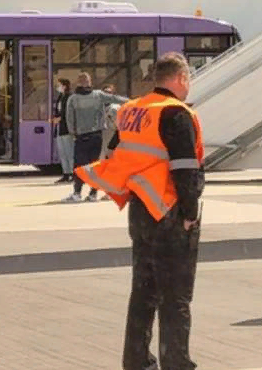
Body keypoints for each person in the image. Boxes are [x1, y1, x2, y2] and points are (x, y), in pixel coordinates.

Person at [75, 52, 204, 370]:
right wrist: (190, 213)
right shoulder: (176, 113)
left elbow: (115, 153)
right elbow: (185, 168)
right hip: (170, 212)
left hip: (140, 210)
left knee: (144, 291)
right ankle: (176, 362)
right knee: (176, 295)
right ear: (181, 78)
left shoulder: (132, 110)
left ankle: (136, 360)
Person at [64, 73, 128, 202]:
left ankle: (77, 193)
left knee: (79, 166)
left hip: (81, 137)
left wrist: (73, 133)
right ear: (90, 82)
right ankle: (93, 194)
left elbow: (69, 119)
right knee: (95, 165)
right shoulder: (98, 95)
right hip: (97, 136)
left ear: (78, 83)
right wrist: (136, 101)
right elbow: (117, 99)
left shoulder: (73, 99)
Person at [53, 78, 74, 183]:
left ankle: (73, 174)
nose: (58, 87)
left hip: (67, 128)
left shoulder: (70, 97)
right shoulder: (61, 97)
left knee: (69, 152)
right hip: (59, 128)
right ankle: (66, 173)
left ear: (64, 86)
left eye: (59, 85)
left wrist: (60, 118)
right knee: (62, 152)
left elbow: (69, 112)